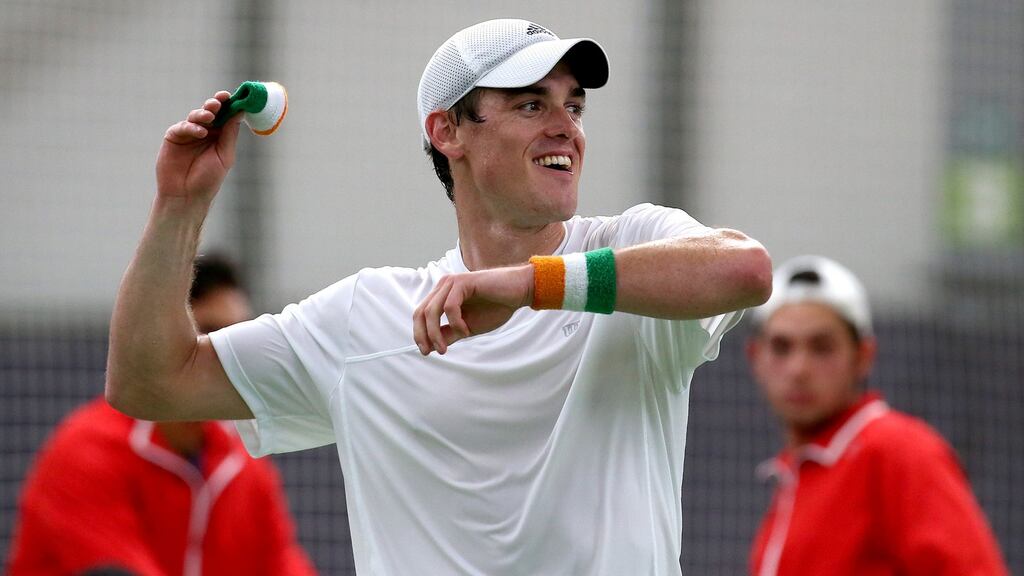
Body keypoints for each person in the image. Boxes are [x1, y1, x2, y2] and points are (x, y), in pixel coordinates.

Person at [105, 18, 772, 575]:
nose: (566, 126)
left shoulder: (633, 247)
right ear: (447, 131)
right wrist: (179, 204)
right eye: (531, 103)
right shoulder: (365, 317)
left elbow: (743, 270)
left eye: (573, 104)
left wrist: (531, 285)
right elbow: (150, 381)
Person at [8, 255, 317, 576]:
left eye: (240, 334)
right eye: (211, 332)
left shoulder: (245, 465)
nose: (229, 352)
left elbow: (283, 565)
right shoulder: (85, 453)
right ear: (162, 342)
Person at [746, 255, 1008, 576]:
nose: (799, 369)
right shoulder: (796, 471)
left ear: (863, 356)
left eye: (822, 347)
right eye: (781, 347)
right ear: (755, 357)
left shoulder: (900, 450)